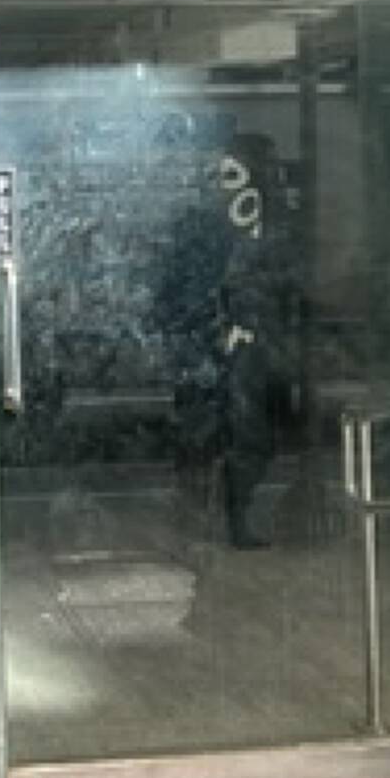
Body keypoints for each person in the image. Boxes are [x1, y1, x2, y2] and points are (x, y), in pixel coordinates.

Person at [164, 131, 298, 550]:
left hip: (240, 341)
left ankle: (221, 514)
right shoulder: (254, 217)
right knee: (244, 432)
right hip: (240, 342)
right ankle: (229, 517)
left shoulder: (243, 217)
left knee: (241, 432)